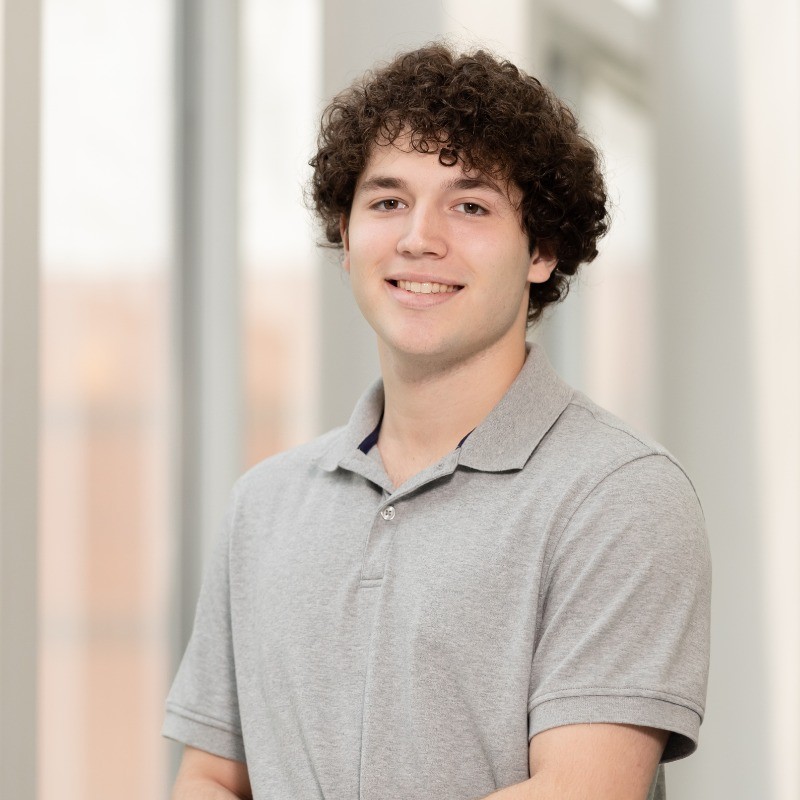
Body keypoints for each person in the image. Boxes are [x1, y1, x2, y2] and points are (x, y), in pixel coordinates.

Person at [163, 43, 711, 800]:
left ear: (543, 250)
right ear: (347, 237)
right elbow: (211, 777)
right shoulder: (265, 504)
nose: (420, 237)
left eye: (471, 205)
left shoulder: (618, 497)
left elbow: (581, 791)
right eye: (388, 201)